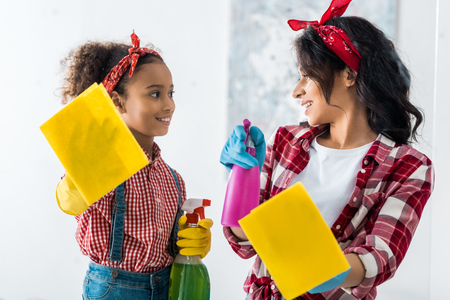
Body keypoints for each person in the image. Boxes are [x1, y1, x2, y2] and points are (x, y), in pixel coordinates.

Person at [220, 0, 434, 299]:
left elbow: (383, 254)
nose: (297, 90)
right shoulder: (287, 141)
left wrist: (334, 269)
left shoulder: (407, 166)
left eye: (307, 75)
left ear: (348, 74)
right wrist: (243, 177)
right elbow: (244, 242)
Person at [56, 31, 213, 300]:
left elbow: (173, 246)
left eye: (170, 93)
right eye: (154, 94)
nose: (169, 105)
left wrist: (191, 244)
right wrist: (75, 183)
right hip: (114, 290)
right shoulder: (101, 166)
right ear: (117, 102)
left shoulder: (173, 179)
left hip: (166, 287)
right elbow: (69, 201)